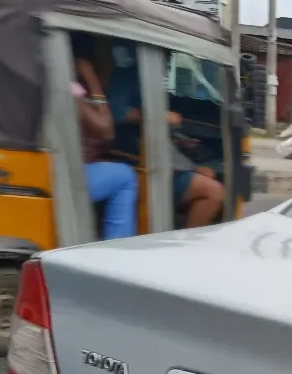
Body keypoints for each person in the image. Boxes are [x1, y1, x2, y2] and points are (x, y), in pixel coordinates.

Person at [105, 47, 225, 229]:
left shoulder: (150, 80)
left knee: (209, 171)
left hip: (158, 156)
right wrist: (158, 114)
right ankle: (183, 248)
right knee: (214, 192)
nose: (168, 62)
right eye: (166, 55)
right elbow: (115, 112)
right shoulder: (128, 76)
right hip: (137, 160)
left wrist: (180, 144)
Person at [74, 54, 138, 241]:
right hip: (62, 175)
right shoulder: (68, 88)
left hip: (63, 167)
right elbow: (106, 129)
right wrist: (92, 80)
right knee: (125, 177)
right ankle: (117, 248)